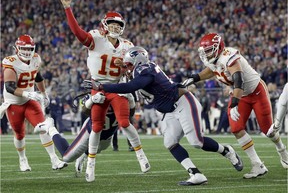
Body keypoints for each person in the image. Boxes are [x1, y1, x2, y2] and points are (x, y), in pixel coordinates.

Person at [84, 46, 243, 185]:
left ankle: (227, 151)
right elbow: (133, 79)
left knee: (196, 141)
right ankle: (195, 173)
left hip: (183, 102)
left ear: (138, 61)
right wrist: (124, 65)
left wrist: (102, 86)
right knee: (170, 142)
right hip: (170, 110)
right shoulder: (140, 70)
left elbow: (132, 85)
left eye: (129, 65)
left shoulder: (145, 69)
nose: (128, 68)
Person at [59, 0, 150, 182]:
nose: (115, 28)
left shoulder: (128, 45)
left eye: (119, 25)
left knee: (124, 122)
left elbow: (132, 69)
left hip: (117, 87)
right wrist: (68, 8)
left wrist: (132, 82)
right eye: (112, 24)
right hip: (97, 86)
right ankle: (90, 164)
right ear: (105, 25)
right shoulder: (96, 38)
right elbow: (77, 32)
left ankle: (141, 155)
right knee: (97, 127)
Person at [182, 33, 288, 177]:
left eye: (208, 50)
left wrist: (234, 104)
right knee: (236, 128)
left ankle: (282, 151)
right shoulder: (214, 59)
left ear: (218, 47)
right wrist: (194, 78)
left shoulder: (228, 56)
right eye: (204, 51)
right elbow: (212, 70)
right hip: (240, 94)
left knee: (268, 130)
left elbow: (239, 81)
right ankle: (258, 165)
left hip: (256, 91)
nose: (206, 54)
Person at [0, 34, 67, 171]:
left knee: (43, 126)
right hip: (14, 103)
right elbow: (9, 86)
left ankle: (54, 160)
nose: (27, 51)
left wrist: (44, 93)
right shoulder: (11, 61)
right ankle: (22, 159)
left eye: (30, 49)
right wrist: (27, 93)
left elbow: (38, 77)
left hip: (30, 100)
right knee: (19, 134)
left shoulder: (36, 58)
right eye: (24, 48)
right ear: (17, 48)